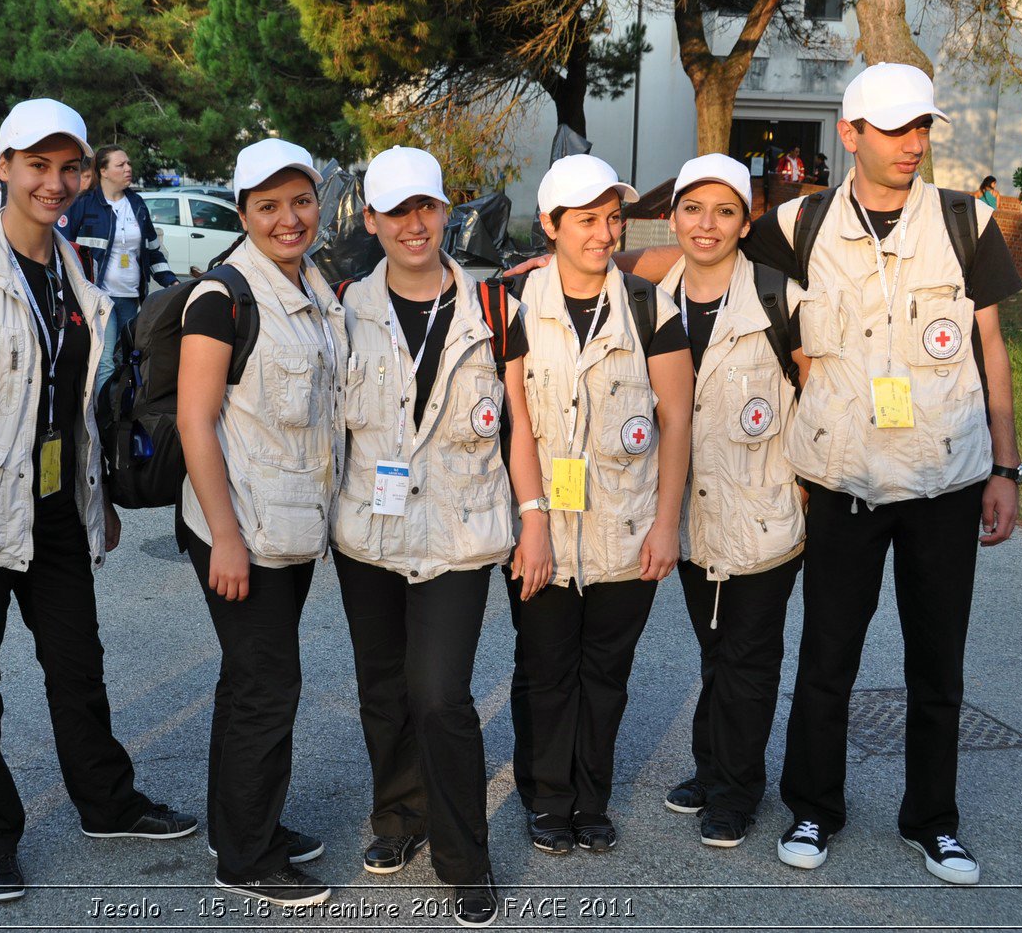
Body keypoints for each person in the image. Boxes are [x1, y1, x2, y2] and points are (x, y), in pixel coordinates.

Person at [609, 63, 1022, 884]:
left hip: (945, 480)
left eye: (921, 128)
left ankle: (932, 821)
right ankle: (813, 808)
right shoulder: (798, 224)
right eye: (895, 128)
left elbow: (992, 350)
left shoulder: (965, 221)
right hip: (842, 483)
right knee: (827, 657)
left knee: (937, 664)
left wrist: (1006, 467)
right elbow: (704, 254)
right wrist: (573, 272)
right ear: (851, 134)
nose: (913, 143)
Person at [0, 99, 196, 904]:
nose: (56, 182)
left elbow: (74, 402)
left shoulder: (74, 269)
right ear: (2, 167)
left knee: (78, 665)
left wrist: (95, 495)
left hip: (57, 504)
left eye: (70, 167)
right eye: (37, 166)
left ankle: (105, 801)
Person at [332, 147, 549, 928]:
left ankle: (466, 858)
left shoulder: (493, 309)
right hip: (368, 532)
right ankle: (399, 817)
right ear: (372, 221)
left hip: (460, 530)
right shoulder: (343, 308)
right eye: (396, 211)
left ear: (446, 209)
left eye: (426, 206)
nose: (414, 223)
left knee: (441, 694)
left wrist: (535, 522)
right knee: (383, 690)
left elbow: (520, 427)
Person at [176, 138, 348, 909]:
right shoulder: (223, 295)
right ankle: (248, 859)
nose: (289, 218)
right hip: (238, 529)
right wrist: (228, 538)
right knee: (269, 686)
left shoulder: (312, 283)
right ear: (243, 212)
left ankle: (237, 824)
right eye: (269, 206)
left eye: (300, 201)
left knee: (247, 679)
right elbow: (194, 421)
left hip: (286, 524)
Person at [506, 154, 693, 857]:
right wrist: (530, 523)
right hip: (542, 531)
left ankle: (592, 798)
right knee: (546, 667)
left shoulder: (650, 307)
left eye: (612, 217)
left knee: (605, 675)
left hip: (625, 527)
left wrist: (666, 523)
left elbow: (676, 418)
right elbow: (513, 418)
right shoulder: (515, 307)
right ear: (550, 225)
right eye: (586, 219)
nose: (604, 233)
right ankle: (548, 798)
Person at [652, 154, 809, 850]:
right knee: (715, 646)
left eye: (724, 211)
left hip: (766, 511)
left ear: (746, 220)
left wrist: (804, 488)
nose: (706, 224)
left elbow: (819, 392)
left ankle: (736, 792)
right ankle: (712, 765)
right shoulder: (653, 299)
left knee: (748, 653)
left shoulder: (780, 296)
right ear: (674, 216)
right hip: (691, 514)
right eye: (693, 209)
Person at [61, 144, 179, 388]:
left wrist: (171, 281)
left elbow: (153, 251)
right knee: (105, 361)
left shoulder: (137, 205)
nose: (128, 169)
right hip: (99, 296)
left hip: (130, 297)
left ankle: (119, 410)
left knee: (124, 358)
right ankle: (104, 419)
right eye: (121, 165)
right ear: (103, 171)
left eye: (128, 164)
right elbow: (62, 246)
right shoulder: (84, 204)